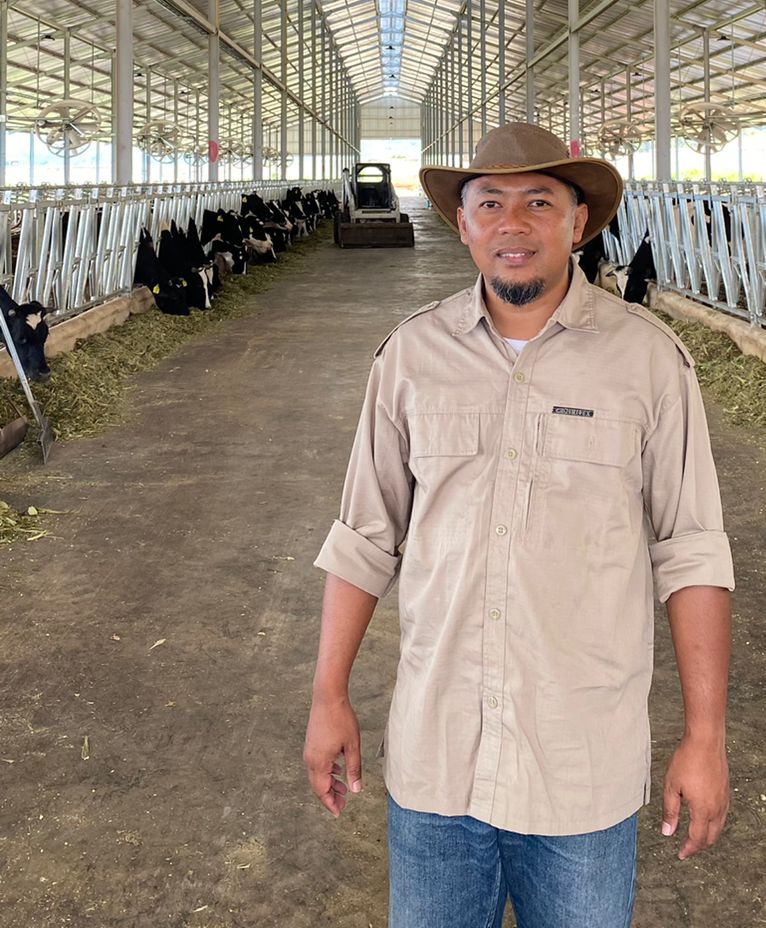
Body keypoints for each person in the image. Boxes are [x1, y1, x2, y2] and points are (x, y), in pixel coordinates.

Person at [304, 123, 734, 928]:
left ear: (578, 223)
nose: (514, 223)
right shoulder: (410, 356)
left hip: (582, 771)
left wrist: (704, 736)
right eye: (490, 203)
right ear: (461, 224)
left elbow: (692, 550)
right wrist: (328, 695)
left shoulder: (649, 362)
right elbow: (365, 536)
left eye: (541, 201)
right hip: (438, 762)